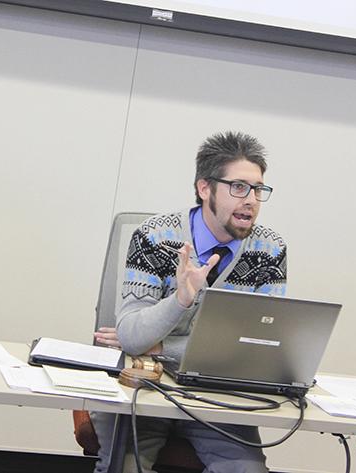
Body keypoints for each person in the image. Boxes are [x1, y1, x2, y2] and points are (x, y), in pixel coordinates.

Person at [113, 131, 287, 473]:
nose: (251, 199)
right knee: (125, 466)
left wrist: (164, 345)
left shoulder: (270, 250)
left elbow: (262, 351)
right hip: (146, 389)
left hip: (220, 399)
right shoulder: (156, 237)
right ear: (204, 188)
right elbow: (132, 338)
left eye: (258, 189)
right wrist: (180, 300)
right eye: (238, 187)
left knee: (246, 471)